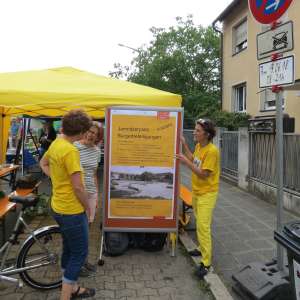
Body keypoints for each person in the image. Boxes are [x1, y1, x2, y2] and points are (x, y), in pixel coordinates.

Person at [40, 109, 95, 300]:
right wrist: (88, 207)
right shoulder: (71, 150)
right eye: (85, 131)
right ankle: (66, 295)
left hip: (57, 207)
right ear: (80, 132)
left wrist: (56, 179)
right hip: (71, 210)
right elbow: (79, 188)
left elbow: (43, 163)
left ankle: (73, 289)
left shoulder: (56, 143)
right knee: (79, 254)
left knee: (69, 248)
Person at [177, 118, 220, 279]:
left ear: (207, 134)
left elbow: (203, 173)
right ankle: (202, 249)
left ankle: (206, 263)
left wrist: (185, 162)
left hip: (207, 194)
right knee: (200, 222)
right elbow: (193, 159)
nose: (194, 132)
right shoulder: (198, 146)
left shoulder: (212, 151)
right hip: (197, 191)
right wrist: (184, 145)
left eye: (197, 131)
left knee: (203, 227)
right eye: (195, 130)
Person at [74, 122, 103, 276]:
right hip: (78, 193)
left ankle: (83, 261)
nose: (92, 135)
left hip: (91, 193)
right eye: (90, 131)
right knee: (79, 231)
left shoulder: (97, 151)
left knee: (87, 230)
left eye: (95, 134)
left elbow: (93, 174)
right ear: (85, 131)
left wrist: (97, 195)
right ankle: (77, 265)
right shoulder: (74, 147)